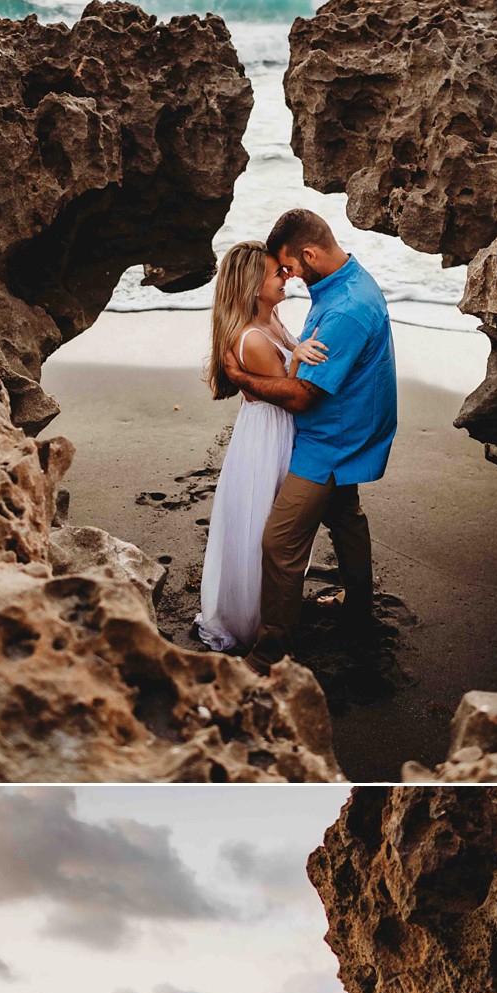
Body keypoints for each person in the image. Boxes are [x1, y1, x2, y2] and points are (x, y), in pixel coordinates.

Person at [221, 209, 398, 674]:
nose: (288, 277)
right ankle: (358, 609)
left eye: (290, 267)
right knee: (346, 520)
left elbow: (300, 396)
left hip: (329, 440)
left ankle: (270, 650)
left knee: (280, 545)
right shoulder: (344, 284)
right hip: (346, 428)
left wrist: (239, 375)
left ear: (310, 253)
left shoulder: (345, 308)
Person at [197, 243, 328, 652]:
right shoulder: (251, 339)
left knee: (273, 523)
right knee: (263, 526)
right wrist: (298, 358)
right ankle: (253, 618)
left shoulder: (270, 318)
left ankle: (274, 605)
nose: (286, 276)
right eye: (277, 274)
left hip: (278, 429)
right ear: (254, 286)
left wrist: (298, 348)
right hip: (268, 436)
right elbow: (288, 394)